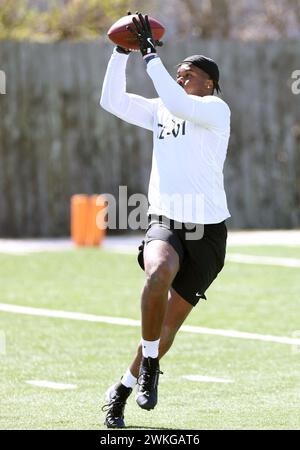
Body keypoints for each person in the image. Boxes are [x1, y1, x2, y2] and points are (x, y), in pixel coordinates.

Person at [100, 13, 231, 428]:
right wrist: (122, 51)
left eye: (187, 74)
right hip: (169, 221)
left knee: (167, 327)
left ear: (208, 82)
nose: (179, 79)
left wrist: (151, 54)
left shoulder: (214, 109)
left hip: (208, 233)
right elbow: (112, 101)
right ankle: (151, 368)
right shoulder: (162, 109)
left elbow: (179, 102)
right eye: (177, 74)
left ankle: (122, 388)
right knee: (156, 273)